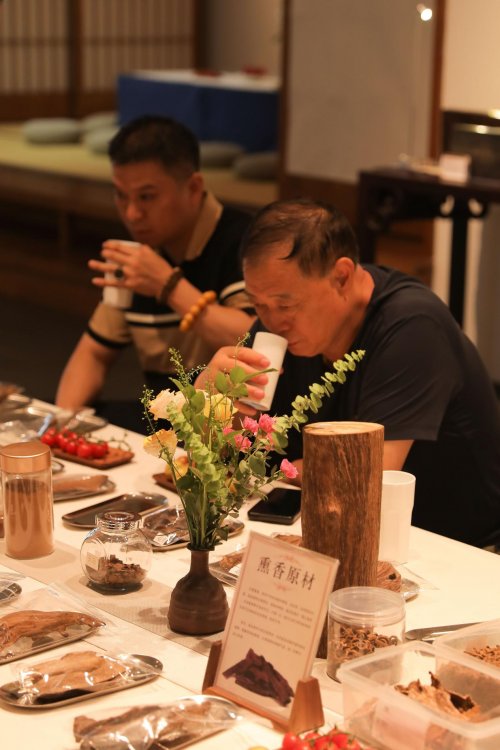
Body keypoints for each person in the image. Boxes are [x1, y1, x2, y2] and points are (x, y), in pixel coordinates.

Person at [197, 198, 500, 547]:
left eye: (285, 304)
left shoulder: (413, 327)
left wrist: (290, 469)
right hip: (336, 530)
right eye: (257, 304)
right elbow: (222, 454)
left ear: (341, 276)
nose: (271, 321)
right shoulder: (280, 323)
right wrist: (207, 403)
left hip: (457, 549)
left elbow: (366, 479)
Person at [56, 116, 254, 430]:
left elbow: (252, 339)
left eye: (146, 197)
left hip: (231, 428)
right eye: (121, 195)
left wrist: (167, 285)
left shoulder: (245, 242)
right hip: (165, 421)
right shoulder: (139, 255)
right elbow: (93, 354)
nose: (132, 213)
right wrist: (60, 428)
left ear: (193, 187)